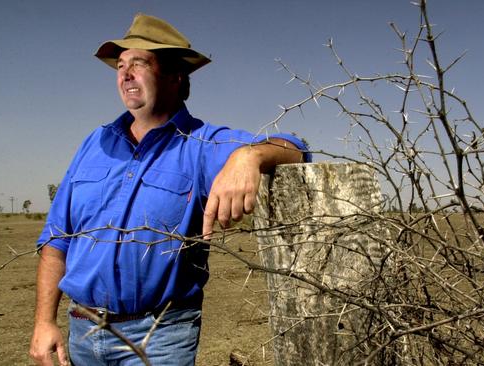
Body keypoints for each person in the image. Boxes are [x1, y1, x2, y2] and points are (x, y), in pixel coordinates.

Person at [29, 13, 308, 366]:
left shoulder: (202, 144)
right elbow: (57, 240)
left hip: (159, 336)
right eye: (120, 65)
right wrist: (43, 322)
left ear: (176, 75)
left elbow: (295, 148)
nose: (125, 74)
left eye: (140, 63)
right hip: (81, 330)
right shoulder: (94, 143)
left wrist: (248, 157)